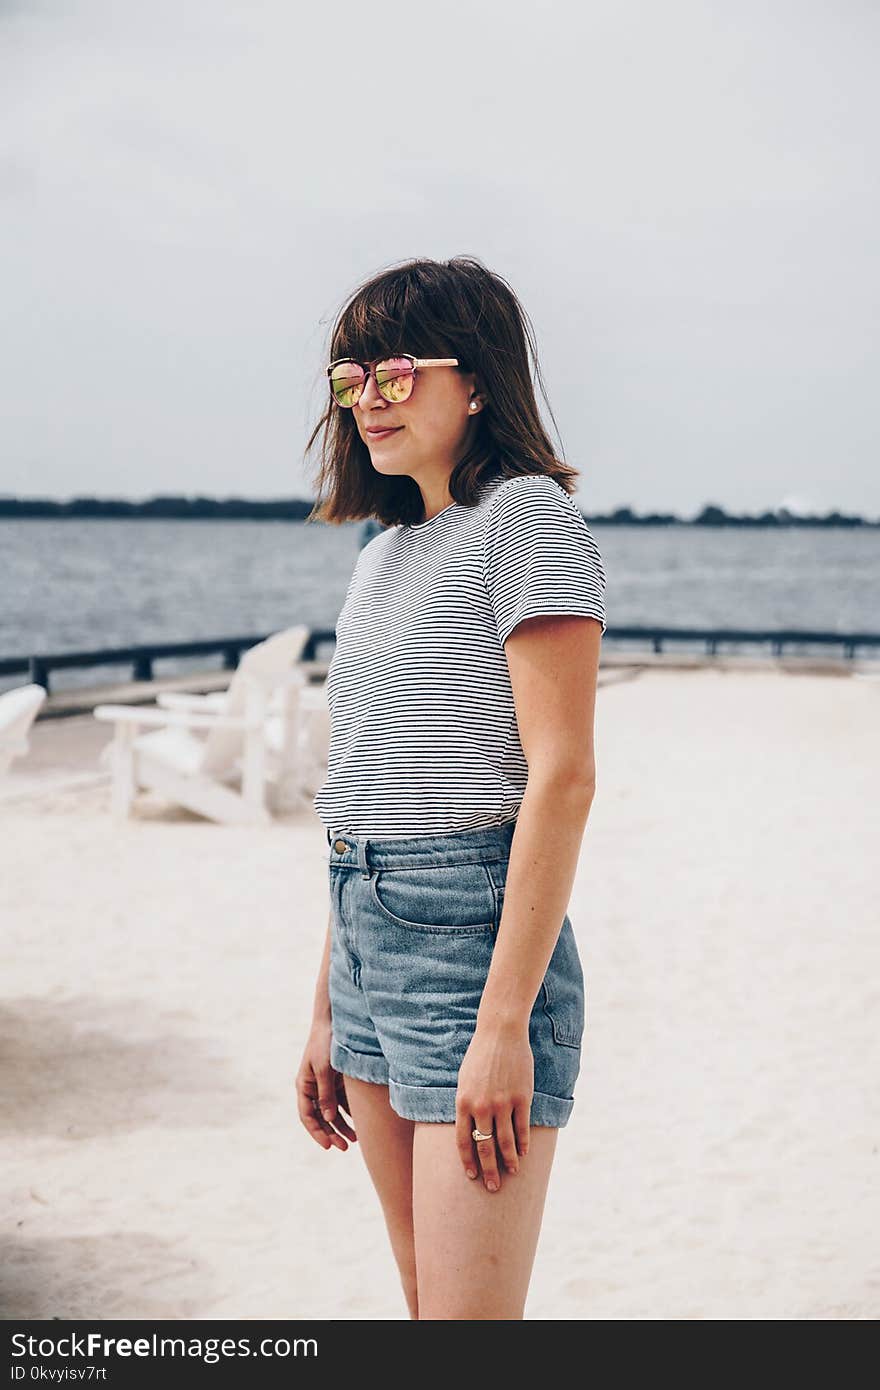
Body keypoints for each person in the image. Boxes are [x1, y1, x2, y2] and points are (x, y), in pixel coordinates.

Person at [296, 255, 607, 1320]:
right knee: (428, 1307)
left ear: (473, 379)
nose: (367, 401)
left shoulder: (526, 519)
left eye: (393, 372)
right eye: (350, 381)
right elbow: (364, 787)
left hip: (472, 942)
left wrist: (502, 1023)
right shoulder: (382, 553)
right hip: (364, 930)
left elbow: (561, 780)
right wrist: (325, 1008)